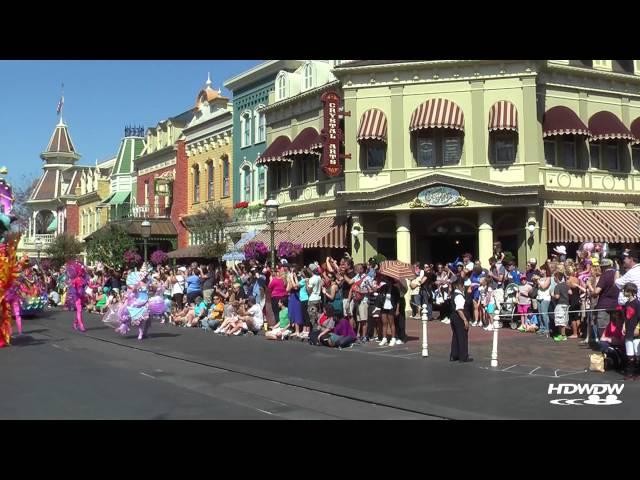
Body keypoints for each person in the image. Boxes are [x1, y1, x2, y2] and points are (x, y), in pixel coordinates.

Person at [449, 278, 472, 362]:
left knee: (456, 336)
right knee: (462, 336)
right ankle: (463, 356)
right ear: (460, 286)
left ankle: (454, 354)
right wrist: (465, 320)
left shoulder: (454, 294)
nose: (464, 288)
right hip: (459, 318)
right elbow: (459, 309)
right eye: (463, 286)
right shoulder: (459, 296)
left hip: (453, 317)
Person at [622, 283, 640, 380]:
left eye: (625, 291)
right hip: (628, 331)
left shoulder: (637, 303)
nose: (623, 292)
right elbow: (626, 317)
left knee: (638, 353)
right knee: (630, 354)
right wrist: (623, 326)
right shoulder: (626, 304)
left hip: (636, 333)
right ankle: (630, 372)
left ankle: (638, 372)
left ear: (631, 292)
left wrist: (638, 328)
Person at [552, 271, 570, 342]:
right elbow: (570, 292)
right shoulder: (566, 285)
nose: (554, 279)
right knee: (564, 319)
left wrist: (552, 296)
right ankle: (561, 334)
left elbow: (557, 296)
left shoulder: (557, 286)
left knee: (560, 320)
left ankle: (563, 335)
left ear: (557, 278)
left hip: (560, 304)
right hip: (566, 304)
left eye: (554, 277)